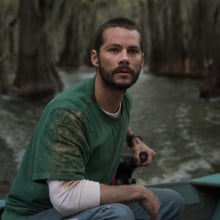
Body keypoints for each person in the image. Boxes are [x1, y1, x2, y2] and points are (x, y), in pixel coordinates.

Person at [2, 17, 184, 220]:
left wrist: (135, 141)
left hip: (81, 210)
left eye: (132, 51)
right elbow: (66, 197)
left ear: (142, 59)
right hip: (34, 215)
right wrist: (137, 191)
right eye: (114, 50)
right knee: (118, 214)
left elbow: (110, 120)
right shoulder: (67, 113)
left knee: (171, 201)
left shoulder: (124, 100)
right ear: (95, 58)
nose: (124, 58)